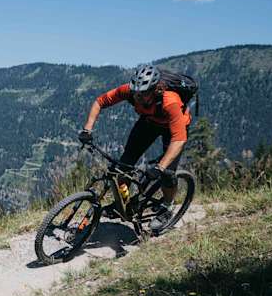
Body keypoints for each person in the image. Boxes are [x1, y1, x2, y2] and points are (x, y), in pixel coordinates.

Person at [79, 64, 191, 230]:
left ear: (155, 90)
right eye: (136, 92)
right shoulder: (130, 91)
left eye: (143, 93)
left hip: (173, 130)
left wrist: (159, 168)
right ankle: (123, 205)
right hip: (149, 122)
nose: (137, 96)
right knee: (124, 165)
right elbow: (100, 102)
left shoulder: (170, 102)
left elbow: (179, 139)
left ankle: (167, 207)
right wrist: (87, 129)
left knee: (167, 173)